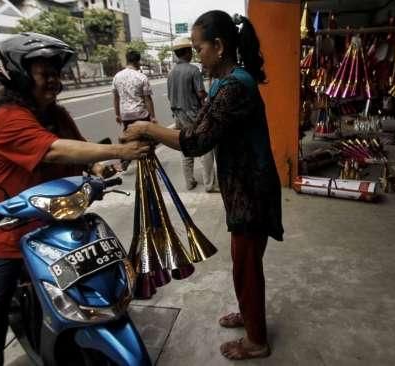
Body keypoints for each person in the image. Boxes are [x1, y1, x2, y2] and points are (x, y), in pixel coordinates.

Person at [0, 32, 150, 366]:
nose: (54, 81)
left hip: (58, 220)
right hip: (12, 228)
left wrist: (97, 164)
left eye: (56, 73)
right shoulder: (8, 118)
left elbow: (79, 146)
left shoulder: (57, 113)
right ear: (20, 76)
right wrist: (119, 149)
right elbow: (55, 150)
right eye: (45, 73)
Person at [122, 11, 283, 360]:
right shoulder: (229, 81)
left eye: (199, 48)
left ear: (220, 46)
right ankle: (249, 312)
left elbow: (196, 141)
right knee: (246, 262)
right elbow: (202, 128)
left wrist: (150, 130)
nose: (198, 56)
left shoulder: (234, 86)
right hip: (248, 187)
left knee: (246, 265)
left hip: (250, 192)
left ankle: (257, 340)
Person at [167, 37, 217, 191]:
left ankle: (189, 181)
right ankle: (209, 184)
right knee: (206, 147)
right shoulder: (193, 70)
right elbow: (201, 94)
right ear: (188, 52)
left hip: (178, 116)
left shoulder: (171, 72)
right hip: (193, 115)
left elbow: (170, 96)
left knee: (185, 146)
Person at [112, 49, 156, 129]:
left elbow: (116, 98)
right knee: (146, 139)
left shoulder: (116, 77)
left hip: (125, 116)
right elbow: (147, 99)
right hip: (141, 115)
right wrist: (152, 117)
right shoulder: (142, 77)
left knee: (130, 137)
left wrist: (117, 115)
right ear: (137, 61)